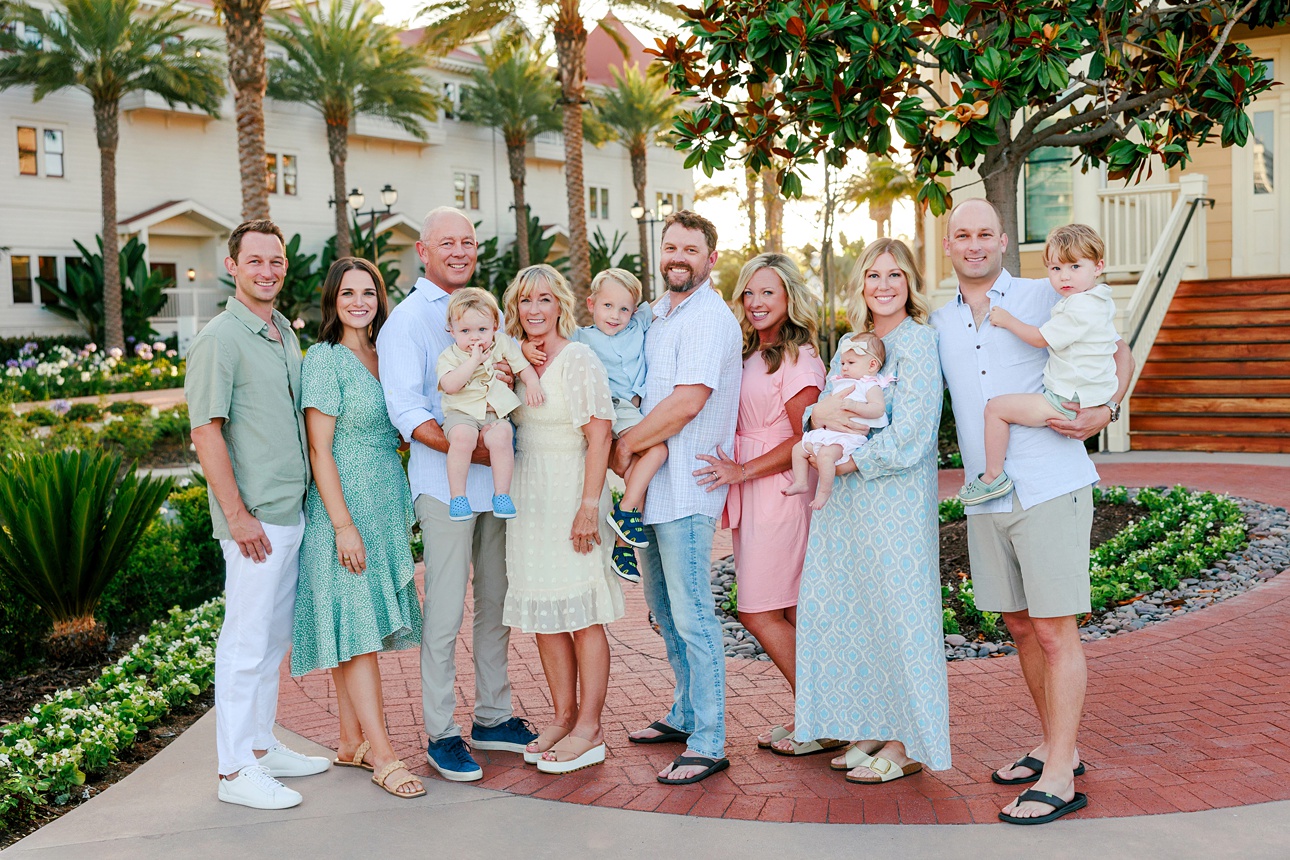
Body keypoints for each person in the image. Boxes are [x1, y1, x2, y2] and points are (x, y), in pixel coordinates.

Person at [930, 198, 1132, 825]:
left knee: (1053, 629)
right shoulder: (938, 322)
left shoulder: (1051, 293)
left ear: (1002, 238)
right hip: (990, 492)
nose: (974, 244)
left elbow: (1118, 355)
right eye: (961, 235)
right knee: (1019, 626)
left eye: (984, 233)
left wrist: (1106, 411)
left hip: (1050, 484)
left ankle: (1059, 778)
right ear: (949, 245)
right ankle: (1054, 747)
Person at [378, 207, 537, 784]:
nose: (459, 251)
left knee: (495, 605)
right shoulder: (406, 322)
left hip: (495, 489)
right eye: (447, 242)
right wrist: (465, 450)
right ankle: (441, 731)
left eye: (467, 242)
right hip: (444, 487)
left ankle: (493, 716)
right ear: (423, 251)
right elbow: (406, 409)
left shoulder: (482, 311)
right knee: (444, 612)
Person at [785, 238, 951, 785]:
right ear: (861, 283)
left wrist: (850, 463)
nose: (883, 285)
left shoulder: (920, 343)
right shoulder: (853, 344)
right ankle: (872, 724)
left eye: (895, 275)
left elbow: (913, 435)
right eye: (873, 275)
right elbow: (824, 408)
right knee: (855, 611)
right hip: (844, 509)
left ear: (910, 282)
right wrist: (816, 418)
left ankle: (908, 744)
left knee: (901, 617)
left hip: (893, 502)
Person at [187, 218, 330, 810]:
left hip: (289, 510)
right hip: (256, 521)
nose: (267, 271)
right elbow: (205, 430)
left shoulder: (281, 333)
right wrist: (237, 515)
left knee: (271, 642)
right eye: (255, 262)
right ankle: (233, 771)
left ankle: (261, 748)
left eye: (276, 261)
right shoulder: (221, 338)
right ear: (233, 266)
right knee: (245, 642)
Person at [613, 210, 742, 785]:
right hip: (650, 490)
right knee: (664, 613)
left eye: (691, 249)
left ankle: (710, 740)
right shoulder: (659, 315)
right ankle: (685, 712)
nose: (678, 258)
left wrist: (625, 445)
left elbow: (688, 401)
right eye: (670, 247)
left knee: (692, 617)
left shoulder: (708, 318)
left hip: (687, 487)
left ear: (710, 259)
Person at [290, 257, 424, 800]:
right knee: (360, 633)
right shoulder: (324, 359)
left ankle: (351, 742)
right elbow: (320, 449)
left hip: (385, 507)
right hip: (343, 512)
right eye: (348, 292)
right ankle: (385, 754)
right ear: (333, 299)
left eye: (368, 291)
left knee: (355, 632)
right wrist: (343, 526)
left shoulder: (384, 352)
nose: (359, 301)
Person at [691, 253, 825, 755]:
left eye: (767, 291)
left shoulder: (798, 358)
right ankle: (816, 717)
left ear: (789, 296)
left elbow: (805, 437)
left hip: (782, 491)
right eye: (749, 292)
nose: (756, 302)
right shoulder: (751, 352)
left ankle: (819, 717)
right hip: (754, 494)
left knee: (759, 611)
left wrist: (743, 470)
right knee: (787, 612)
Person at [501, 264, 625, 774]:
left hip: (571, 491)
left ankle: (590, 728)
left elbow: (600, 436)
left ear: (560, 307)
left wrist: (589, 507)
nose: (534, 310)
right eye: (526, 300)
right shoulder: (511, 356)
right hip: (526, 499)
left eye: (545, 300)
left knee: (582, 613)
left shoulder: (579, 359)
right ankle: (562, 716)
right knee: (544, 613)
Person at [523, 267, 669, 584]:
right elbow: (547, 340)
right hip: (610, 409)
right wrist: (523, 349)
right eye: (607, 306)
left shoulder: (638, 325)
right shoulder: (580, 336)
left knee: (636, 475)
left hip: (631, 413)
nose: (615, 315)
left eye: (623, 308)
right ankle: (624, 514)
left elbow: (665, 300)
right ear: (591, 304)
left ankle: (622, 549)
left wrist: (705, 284)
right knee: (657, 451)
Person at [959, 224, 1119, 505]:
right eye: (1055, 269)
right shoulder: (1099, 300)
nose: (1064, 276)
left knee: (995, 409)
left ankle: (993, 476)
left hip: (1065, 400)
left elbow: (1038, 338)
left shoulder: (1079, 307)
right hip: (1086, 395)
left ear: (1098, 266)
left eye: (1074, 266)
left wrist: (1007, 320)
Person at [437, 286, 544, 521]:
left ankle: (502, 495)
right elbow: (450, 385)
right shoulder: (450, 356)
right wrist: (474, 361)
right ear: (452, 331)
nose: (475, 337)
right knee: (463, 438)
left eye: (482, 329)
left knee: (503, 435)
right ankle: (458, 497)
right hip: (461, 415)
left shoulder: (503, 344)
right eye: (465, 330)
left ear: (495, 327)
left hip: (495, 415)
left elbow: (521, 366)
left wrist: (533, 383)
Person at [783, 331, 892, 510]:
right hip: (828, 433)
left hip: (848, 438)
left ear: (872, 365)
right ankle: (801, 481)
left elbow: (877, 408)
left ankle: (824, 492)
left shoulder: (869, 385)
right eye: (842, 363)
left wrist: (854, 406)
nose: (844, 368)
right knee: (798, 449)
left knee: (826, 456)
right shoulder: (840, 381)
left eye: (850, 363)